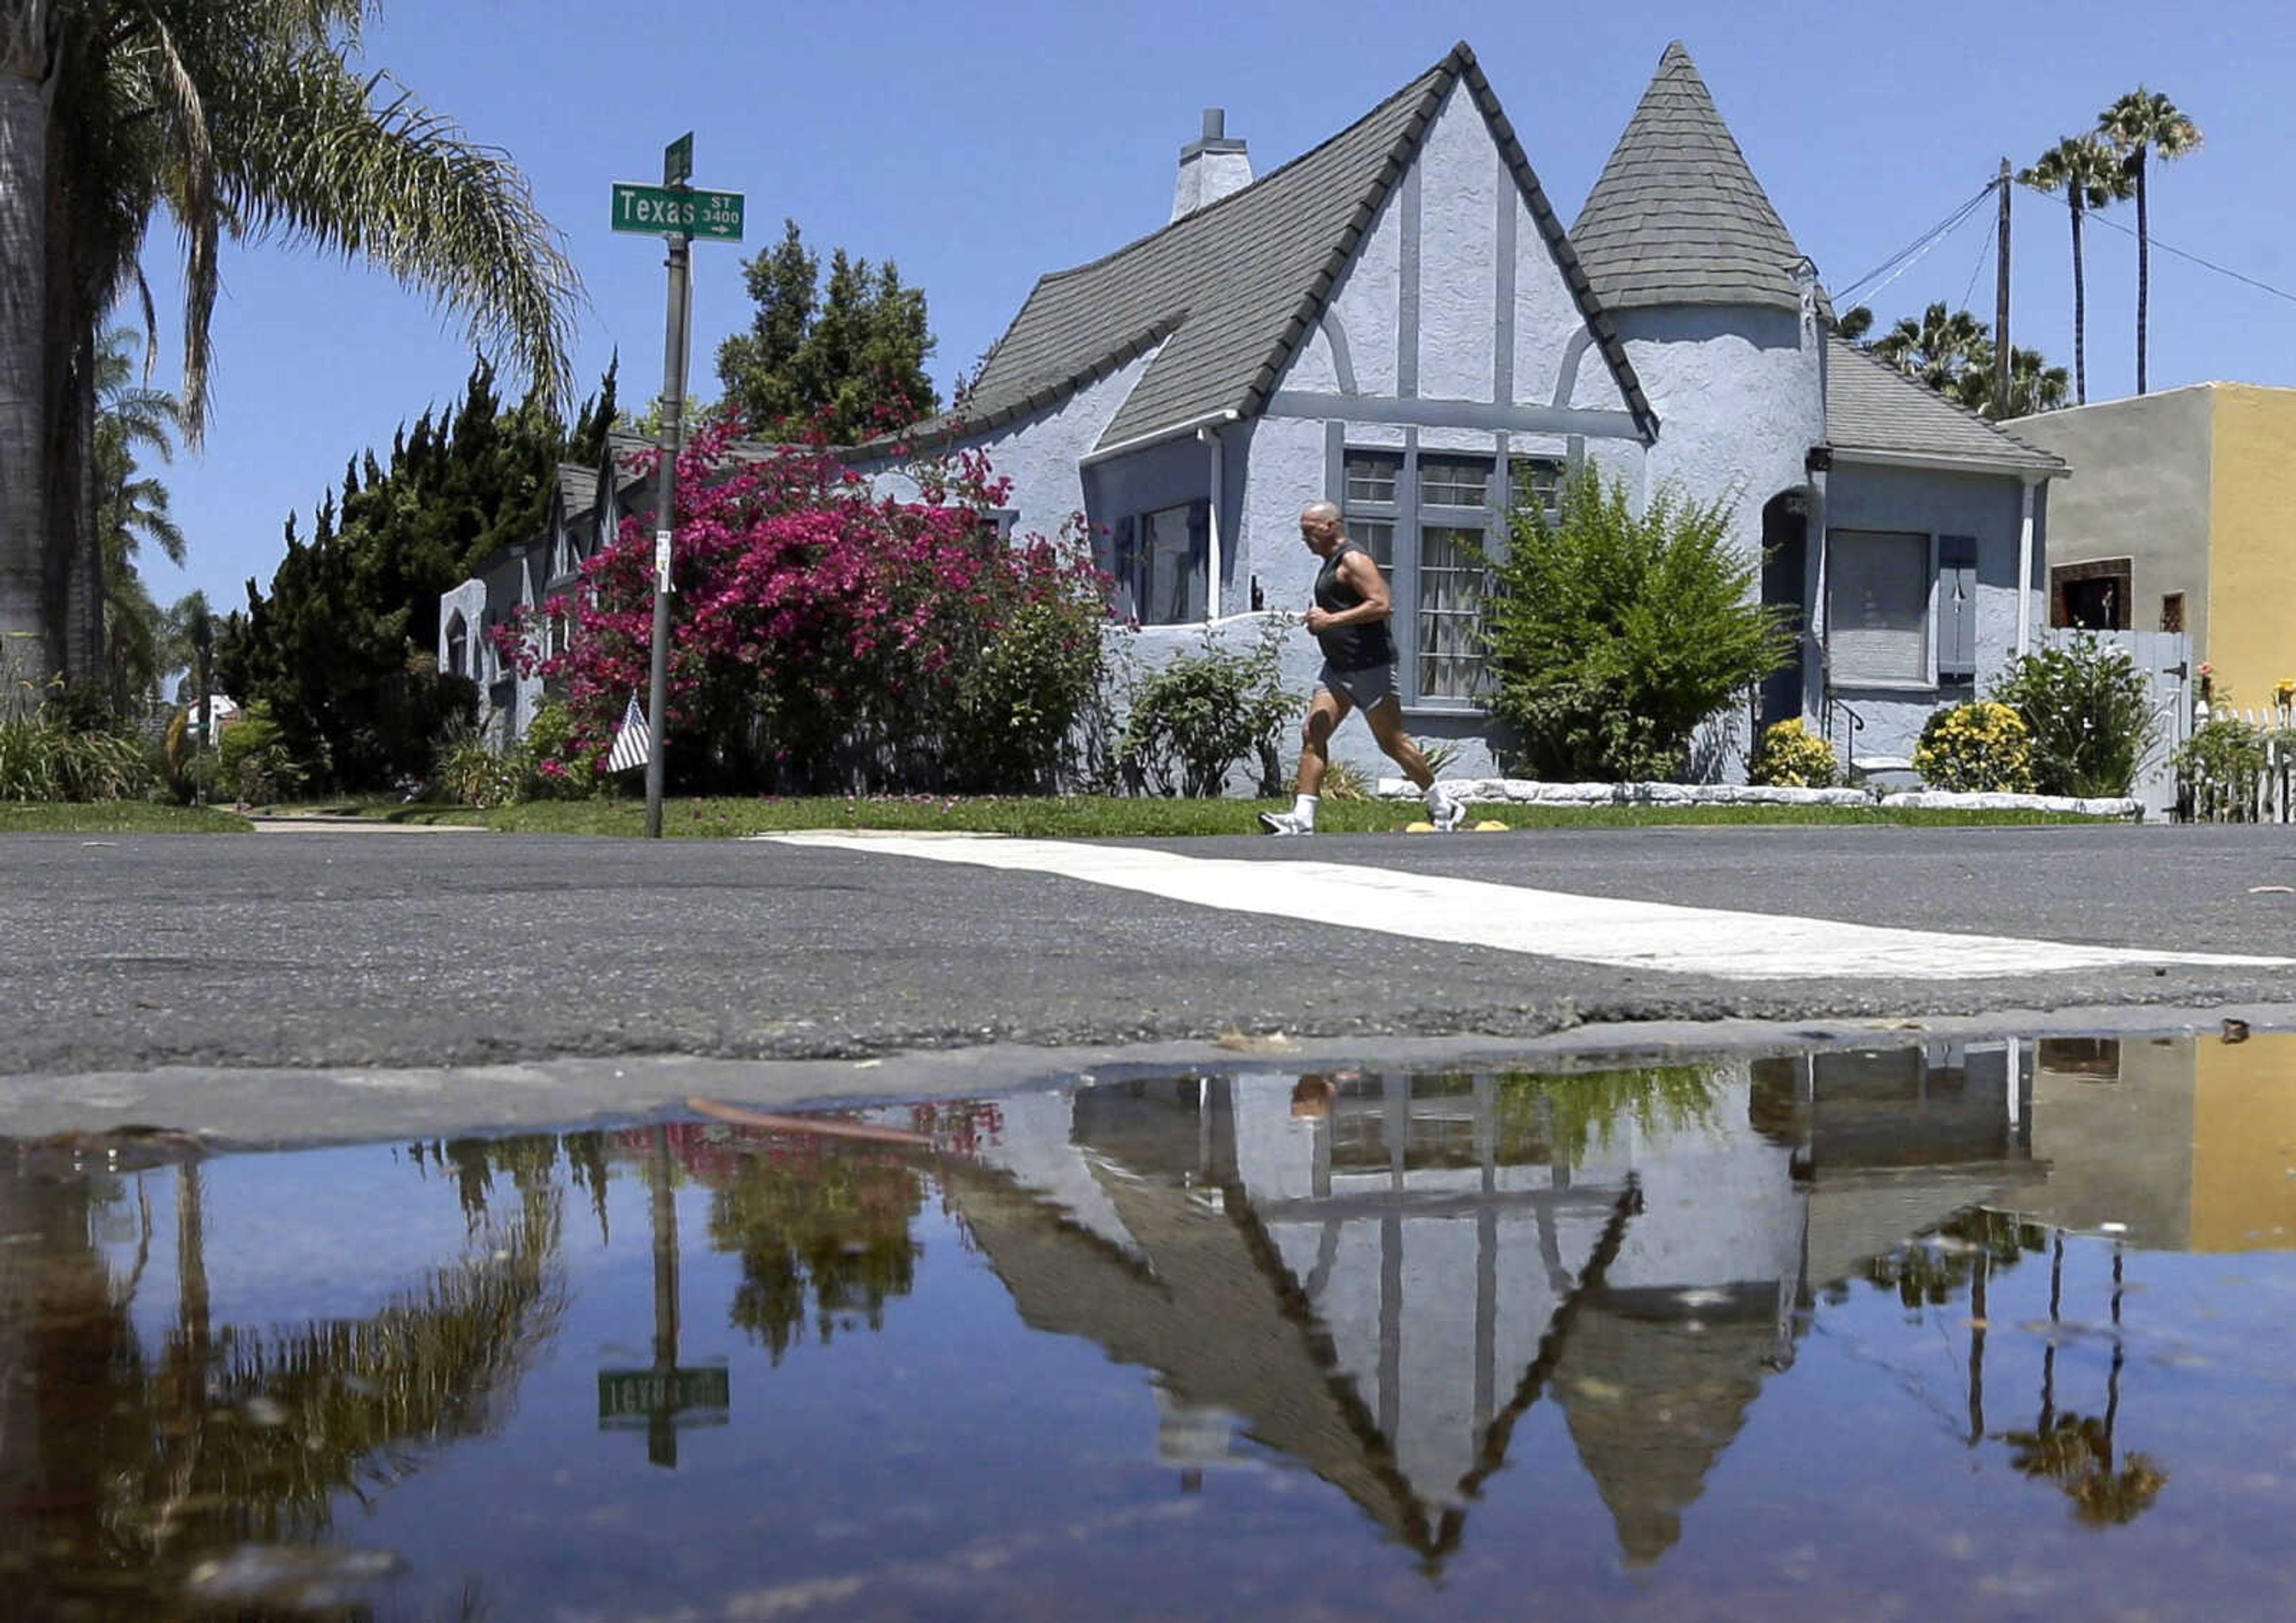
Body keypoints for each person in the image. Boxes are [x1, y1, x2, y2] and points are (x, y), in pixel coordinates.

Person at [1261, 501, 1464, 835]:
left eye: (1309, 531)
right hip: (1338, 668)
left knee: (1392, 742)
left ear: (1330, 526)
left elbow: (1382, 605)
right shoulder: (1329, 564)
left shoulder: (1353, 559)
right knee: (1314, 733)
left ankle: (1443, 804)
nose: (1304, 538)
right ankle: (1302, 819)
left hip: (1370, 665)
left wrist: (1331, 619)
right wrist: (1321, 622)